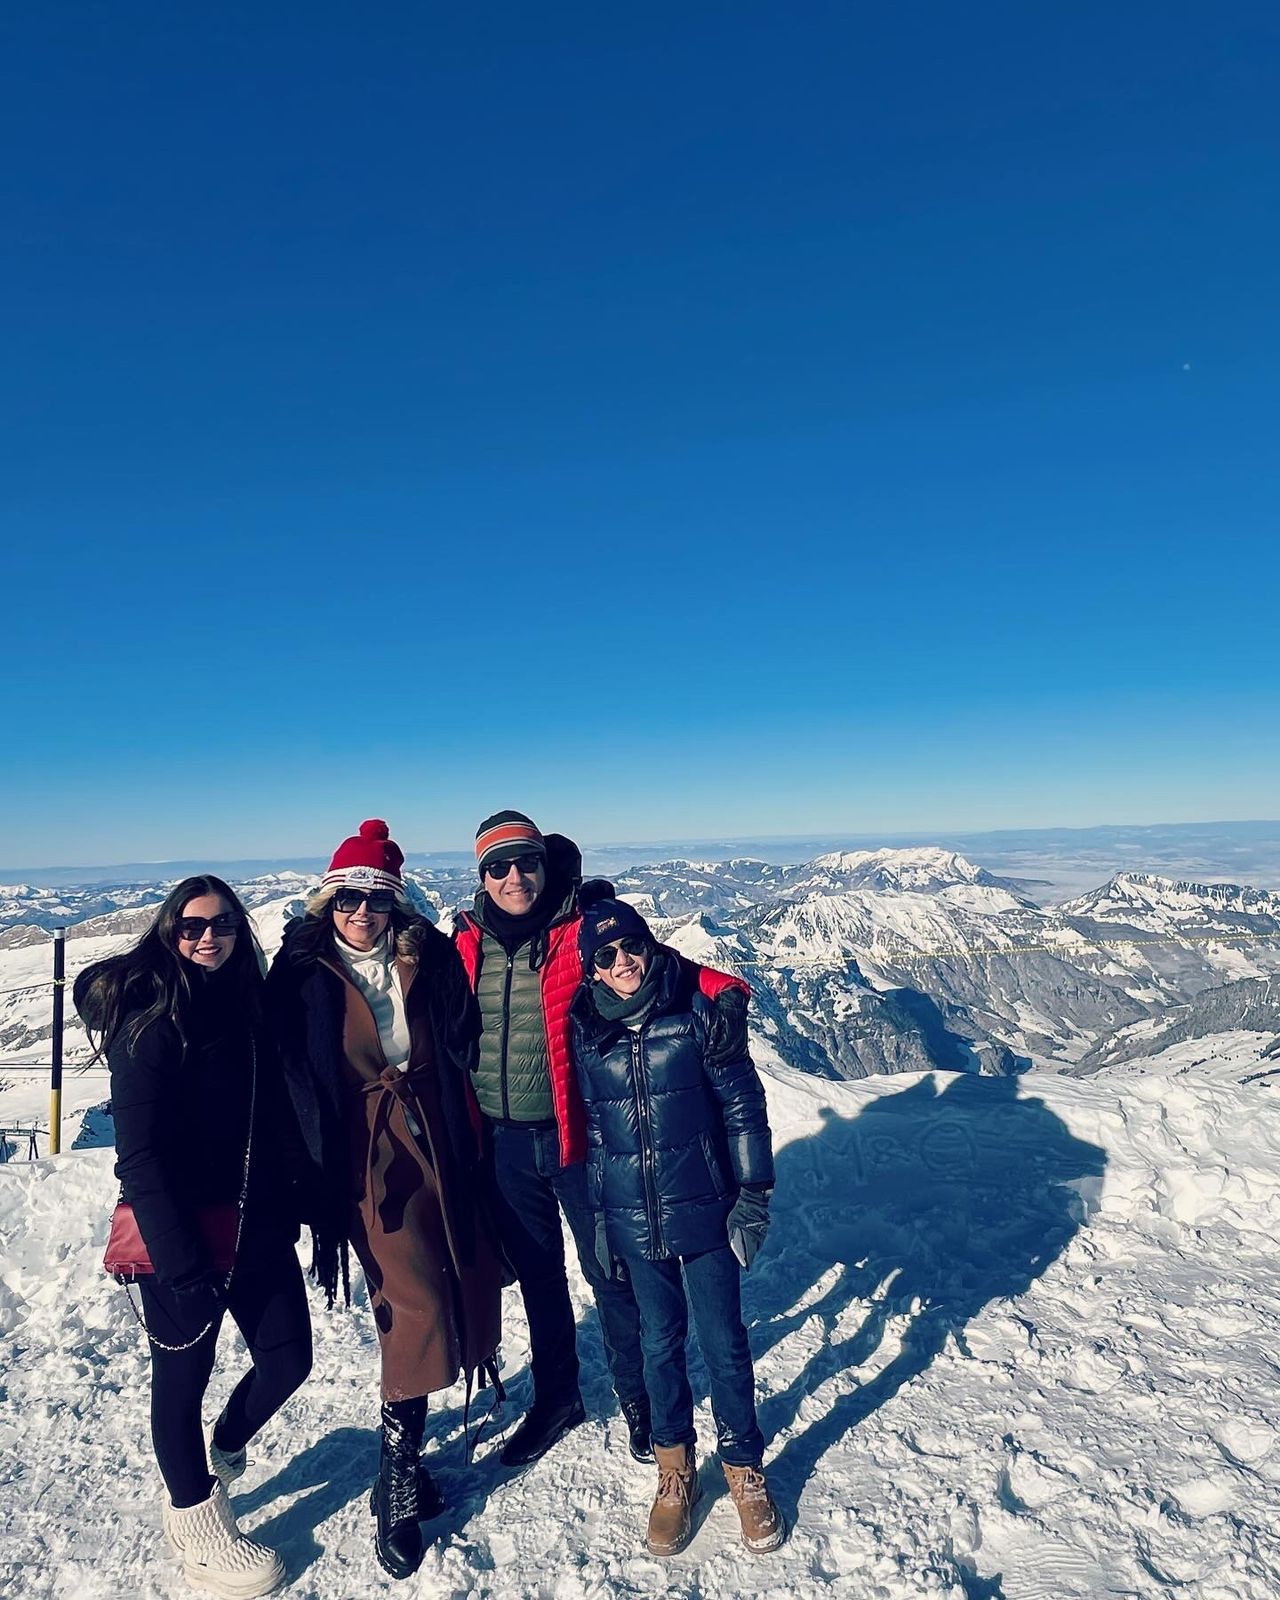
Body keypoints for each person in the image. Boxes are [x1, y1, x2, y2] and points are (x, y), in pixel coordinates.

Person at [266, 820, 506, 1582]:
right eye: (347, 899)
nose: (360, 913)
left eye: (375, 900)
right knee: (417, 1303)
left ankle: (396, 1465)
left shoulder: (427, 959)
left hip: (438, 1134)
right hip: (365, 1154)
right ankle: (398, 1482)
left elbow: (469, 1032)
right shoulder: (301, 975)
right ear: (326, 902)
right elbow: (272, 1063)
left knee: (462, 1284)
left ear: (395, 905)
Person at [76, 875, 310, 1599]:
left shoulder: (248, 1004)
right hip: (181, 1236)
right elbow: (139, 1158)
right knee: (181, 1382)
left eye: (222, 925)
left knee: (288, 1359)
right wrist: (179, 1263)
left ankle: (227, 1447)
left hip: (257, 1222)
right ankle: (196, 1525)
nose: (207, 937)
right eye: (190, 926)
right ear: (168, 932)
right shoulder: (150, 1021)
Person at [570, 897, 785, 1557]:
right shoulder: (589, 1031)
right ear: (593, 970)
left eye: (631, 946)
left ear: (649, 946)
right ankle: (675, 1473)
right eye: (606, 955)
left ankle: (744, 1469)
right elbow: (600, 1138)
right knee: (659, 1345)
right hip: (635, 1220)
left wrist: (752, 1192)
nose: (623, 962)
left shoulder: (696, 1012)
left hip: (707, 1208)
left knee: (724, 1343)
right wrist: (604, 1216)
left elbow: (742, 1105)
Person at [452, 810, 649, 1468]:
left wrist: (721, 990)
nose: (514, 877)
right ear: (481, 875)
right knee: (538, 1276)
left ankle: (639, 1397)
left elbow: (657, 970)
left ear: (546, 864)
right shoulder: (464, 942)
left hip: (579, 1140)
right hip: (504, 1145)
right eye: (498, 866)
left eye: (526, 862)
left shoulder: (583, 926)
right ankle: (558, 1397)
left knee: (608, 1271)